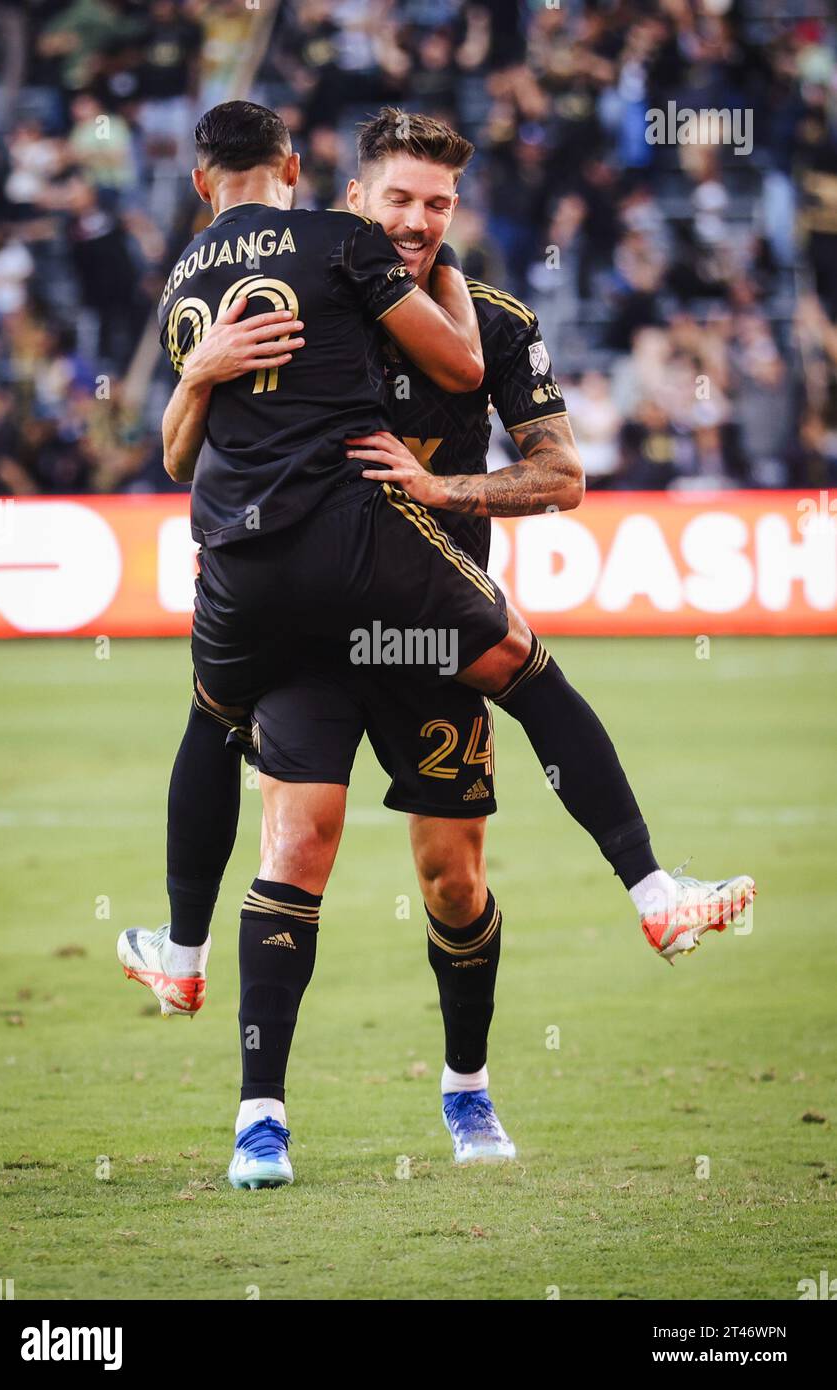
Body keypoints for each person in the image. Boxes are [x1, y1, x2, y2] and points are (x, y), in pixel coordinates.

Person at [118, 103, 754, 1188]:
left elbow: (560, 477)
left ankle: (465, 1086)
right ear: (351, 198)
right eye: (399, 200)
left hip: (422, 628)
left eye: (439, 204)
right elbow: (192, 453)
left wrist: (441, 485)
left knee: (452, 881)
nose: (418, 221)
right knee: (295, 849)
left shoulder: (492, 320)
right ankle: (257, 1120)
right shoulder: (317, 287)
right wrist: (197, 372)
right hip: (319, 636)